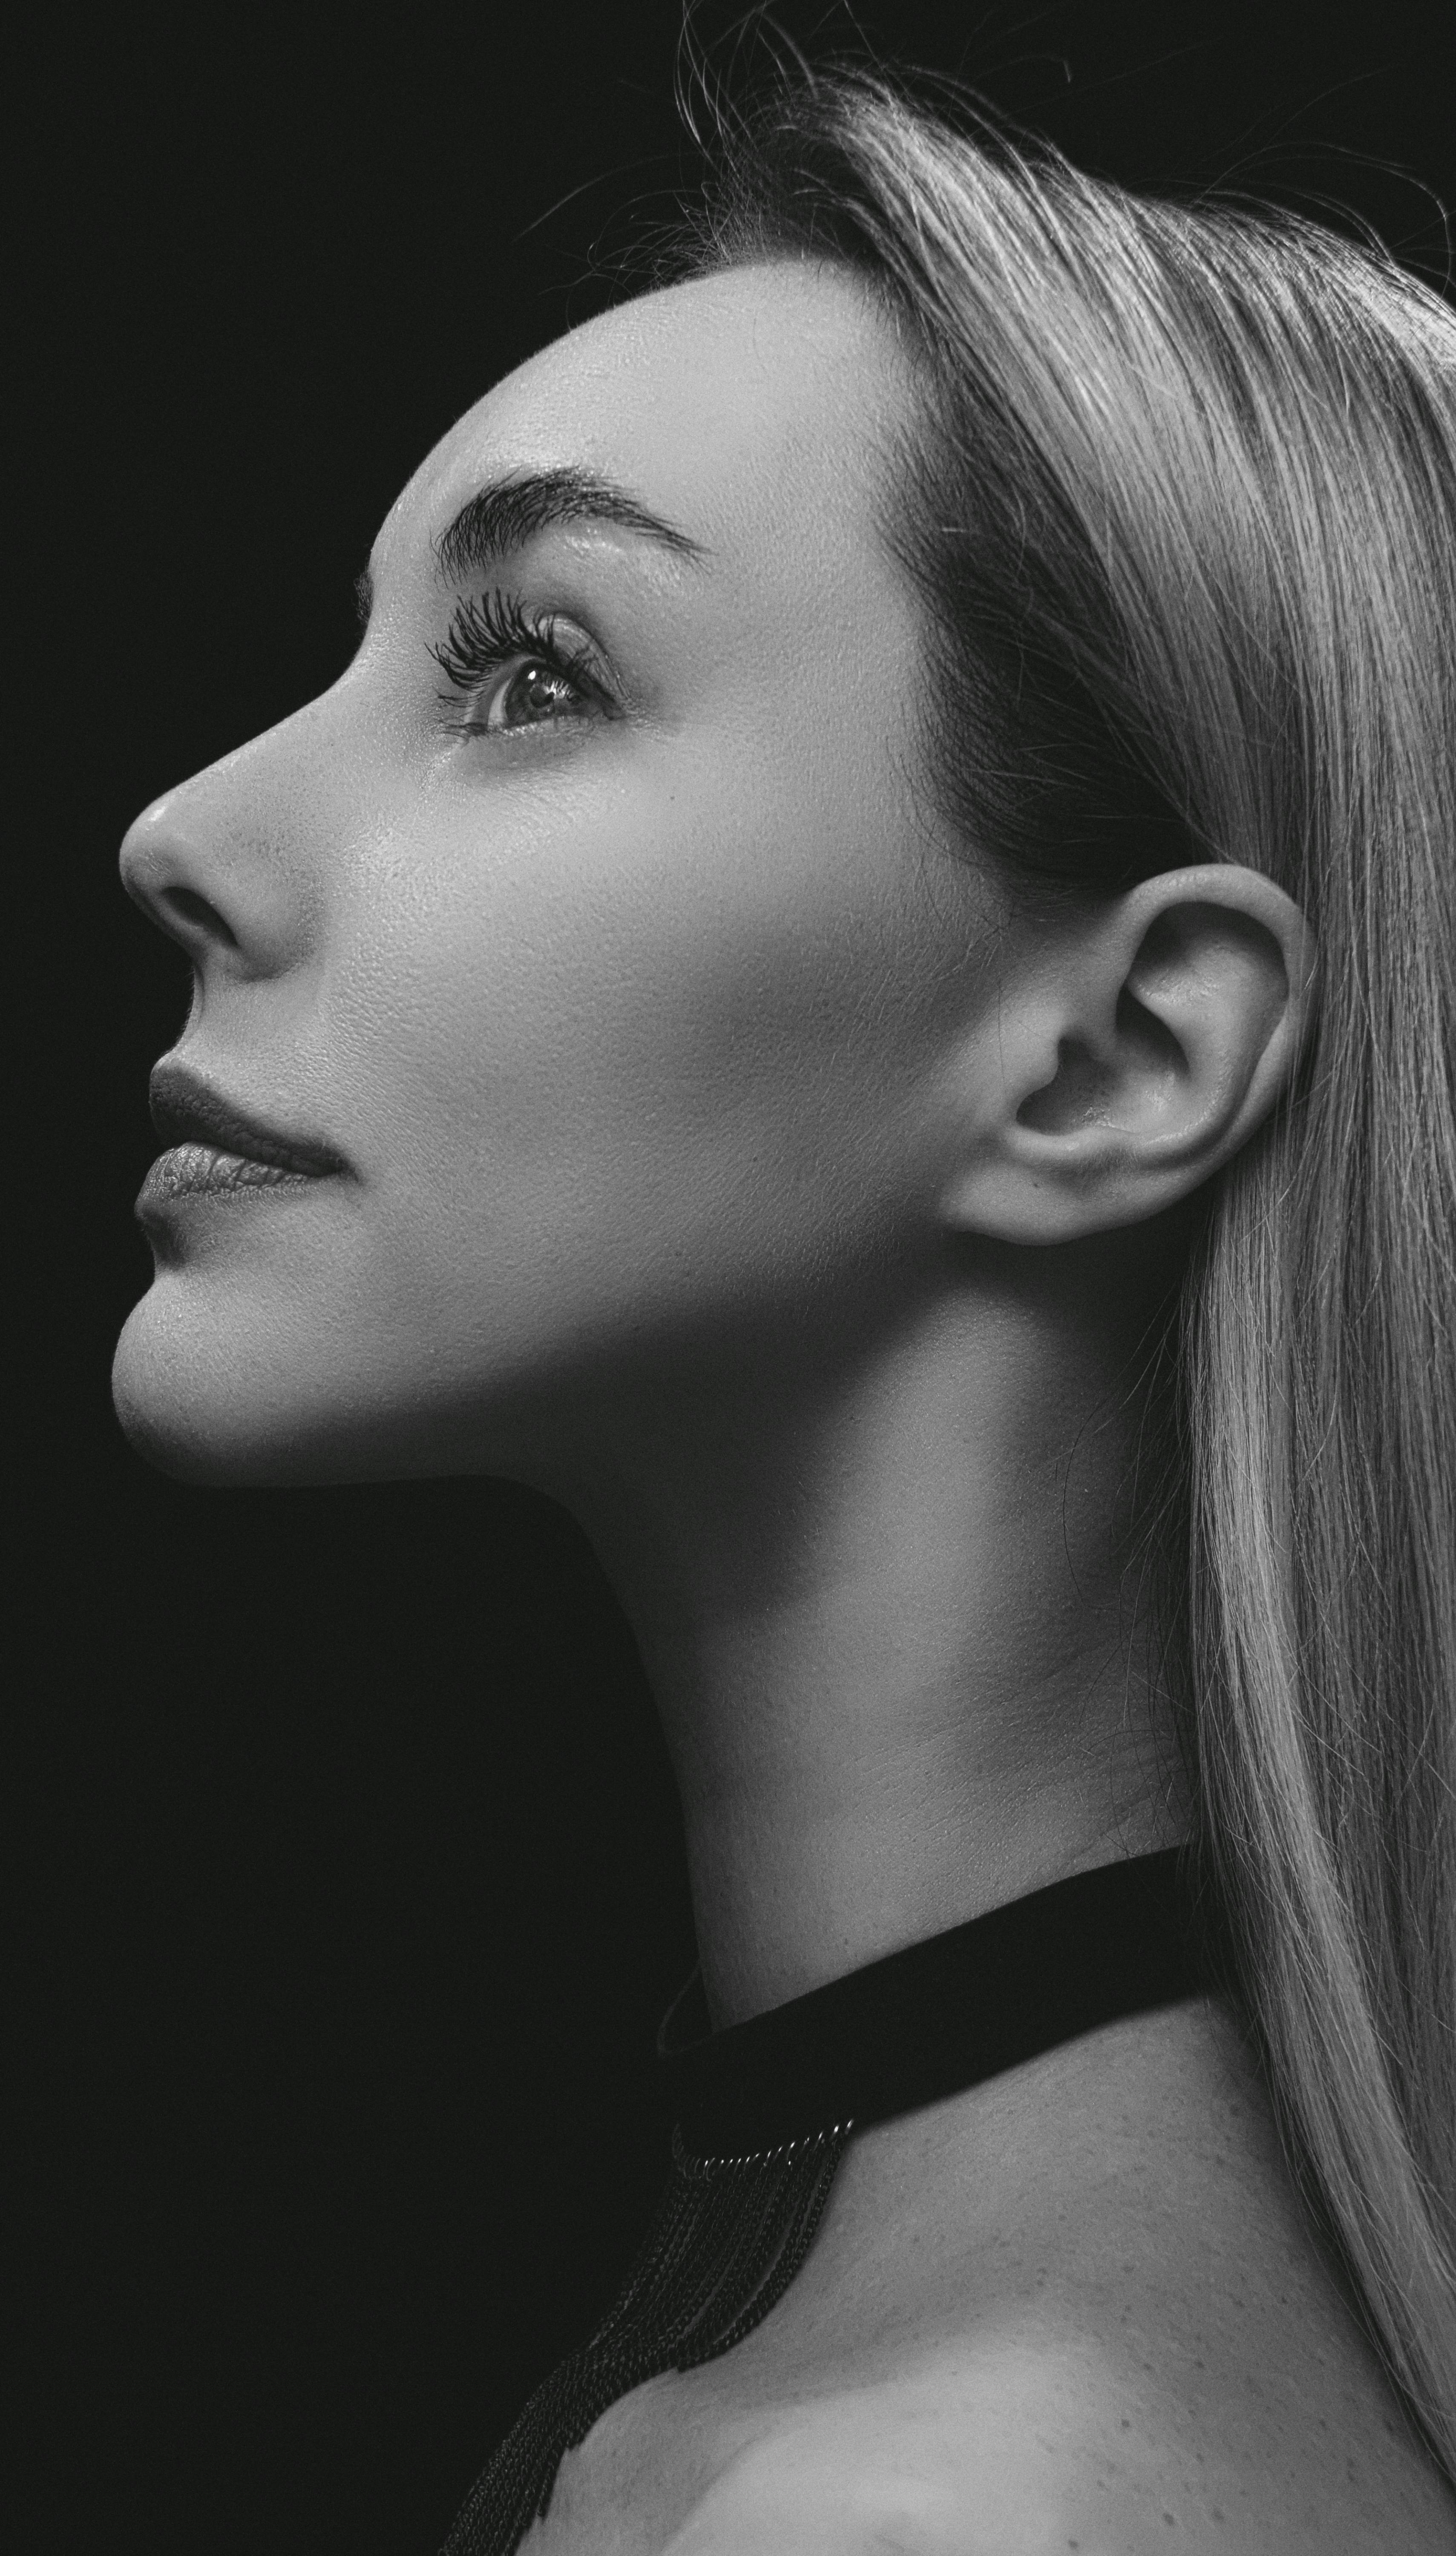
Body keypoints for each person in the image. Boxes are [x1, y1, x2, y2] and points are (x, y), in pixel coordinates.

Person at [111, 55, 1456, 2555]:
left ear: (1121, 1060)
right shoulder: (903, 2353)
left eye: (530, 675)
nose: (181, 832)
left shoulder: (925, 2510)